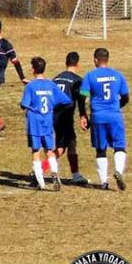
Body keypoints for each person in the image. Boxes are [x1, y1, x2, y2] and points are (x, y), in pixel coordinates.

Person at [80, 48, 131, 191]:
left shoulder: (90, 76)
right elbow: (126, 97)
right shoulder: (118, 75)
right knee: (119, 146)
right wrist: (116, 107)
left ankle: (103, 181)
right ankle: (119, 171)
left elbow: (82, 96)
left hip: (98, 116)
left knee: (100, 149)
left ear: (96, 60)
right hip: (114, 115)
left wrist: (83, 115)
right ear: (107, 59)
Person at [20, 57, 72, 191]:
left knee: (35, 151)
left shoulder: (31, 86)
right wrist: (52, 105)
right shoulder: (51, 84)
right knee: (49, 150)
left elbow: (24, 104)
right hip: (47, 120)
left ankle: (41, 182)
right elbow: (66, 100)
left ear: (33, 69)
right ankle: (54, 173)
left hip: (34, 122)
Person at [52, 52, 89, 185]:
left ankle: (41, 168)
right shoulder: (78, 80)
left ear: (66, 62)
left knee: (61, 147)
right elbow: (81, 99)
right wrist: (83, 115)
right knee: (71, 143)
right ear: (78, 64)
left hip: (53, 116)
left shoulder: (56, 78)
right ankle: (76, 175)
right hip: (65, 116)